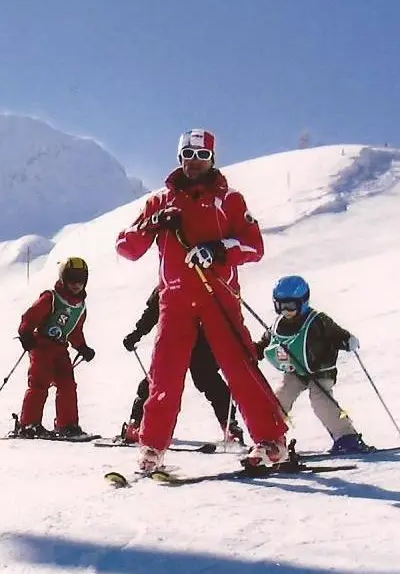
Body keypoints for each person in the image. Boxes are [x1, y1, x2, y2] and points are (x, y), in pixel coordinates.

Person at [116, 128, 288, 473]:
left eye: (202, 156)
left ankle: (271, 440)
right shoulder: (160, 201)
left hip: (217, 296)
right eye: (188, 156)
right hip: (175, 300)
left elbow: (254, 245)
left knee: (239, 365)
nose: (195, 163)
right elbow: (126, 247)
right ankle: (152, 446)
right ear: (179, 158)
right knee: (164, 373)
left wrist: (218, 250)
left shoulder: (230, 200)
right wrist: (153, 223)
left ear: (212, 159)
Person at [256, 275, 375, 454]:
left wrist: (347, 340)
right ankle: (272, 440)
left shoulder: (317, 320)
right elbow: (267, 341)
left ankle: (347, 437)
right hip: (295, 372)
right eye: (280, 305)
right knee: (278, 400)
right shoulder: (277, 324)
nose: (286, 311)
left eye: (290, 306)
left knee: (321, 401)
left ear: (303, 302)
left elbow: (336, 334)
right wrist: (254, 351)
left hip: (321, 370)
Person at [118, 287, 244, 445]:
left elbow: (223, 313)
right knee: (158, 382)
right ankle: (136, 423)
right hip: (174, 340)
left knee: (208, 380)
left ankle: (230, 426)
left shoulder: (206, 283)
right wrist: (137, 333)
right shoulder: (169, 282)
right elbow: (153, 311)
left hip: (201, 343)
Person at [12, 257, 96, 440]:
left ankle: (67, 424)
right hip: (41, 345)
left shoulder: (80, 307)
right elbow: (30, 316)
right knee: (39, 383)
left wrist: (82, 347)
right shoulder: (51, 298)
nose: (76, 284)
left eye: (80, 279)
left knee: (67, 385)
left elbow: (75, 331)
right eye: (72, 278)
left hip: (60, 349)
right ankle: (28, 424)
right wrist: (25, 333)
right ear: (63, 278)